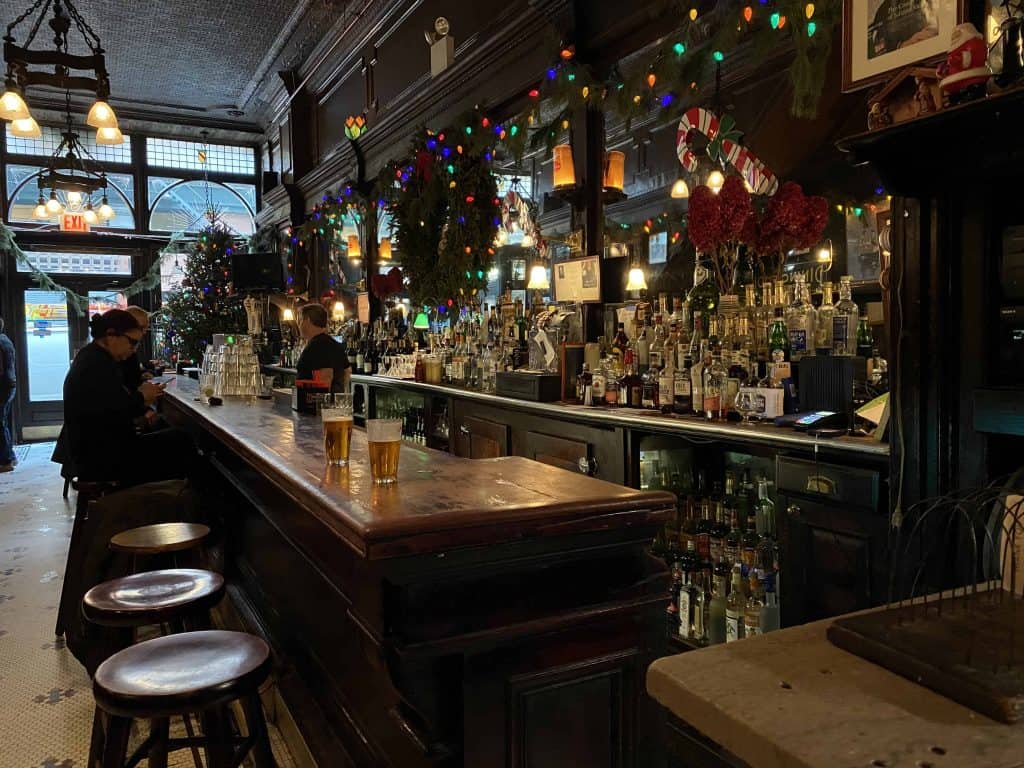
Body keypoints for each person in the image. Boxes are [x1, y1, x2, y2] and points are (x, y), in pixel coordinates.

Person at [54, 309, 183, 484]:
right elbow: (116, 411)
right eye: (132, 343)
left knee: (174, 437)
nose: (134, 349)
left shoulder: (93, 357)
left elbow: (110, 406)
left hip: (96, 453)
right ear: (111, 335)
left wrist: (141, 398)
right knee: (181, 442)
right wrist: (142, 397)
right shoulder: (96, 364)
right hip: (102, 460)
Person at [295, 303, 351, 391]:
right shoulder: (334, 344)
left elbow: (325, 379)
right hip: (334, 402)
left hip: (315, 403)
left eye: (300, 320)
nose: (299, 325)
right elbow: (347, 371)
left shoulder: (317, 345)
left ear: (308, 320)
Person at [0, 318, 16, 472]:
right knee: (4, 421)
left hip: (2, 387)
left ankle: (6, 461)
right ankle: (10, 456)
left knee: (1, 423)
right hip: (10, 385)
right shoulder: (6, 340)